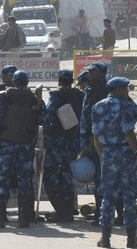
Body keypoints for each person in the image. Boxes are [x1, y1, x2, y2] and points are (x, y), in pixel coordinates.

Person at [0, 70, 42, 229]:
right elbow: (41, 120)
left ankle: (0, 218)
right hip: (25, 145)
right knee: (24, 181)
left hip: (6, 145)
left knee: (3, 180)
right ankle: (24, 218)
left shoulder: (5, 97)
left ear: (14, 81)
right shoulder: (34, 98)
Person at [91, 77, 137, 248]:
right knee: (129, 197)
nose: (128, 91)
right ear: (119, 90)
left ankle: (105, 239)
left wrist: (102, 155)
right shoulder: (127, 106)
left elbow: (96, 137)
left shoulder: (97, 106)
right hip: (126, 152)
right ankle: (131, 239)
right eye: (126, 89)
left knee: (108, 197)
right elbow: (130, 133)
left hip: (108, 153)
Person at [42, 69, 84, 223]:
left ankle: (61, 210)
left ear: (59, 81)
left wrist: (46, 136)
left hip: (57, 141)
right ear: (71, 81)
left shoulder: (56, 96)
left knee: (50, 174)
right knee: (67, 174)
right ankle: (69, 208)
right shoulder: (80, 96)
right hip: (74, 141)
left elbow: (48, 117)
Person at [78, 61, 109, 224]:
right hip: (112, 141)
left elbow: (86, 119)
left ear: (98, 73)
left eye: (92, 72)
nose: (89, 75)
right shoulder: (111, 88)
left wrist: (84, 145)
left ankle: (101, 215)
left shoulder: (92, 91)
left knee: (99, 179)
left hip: (95, 140)